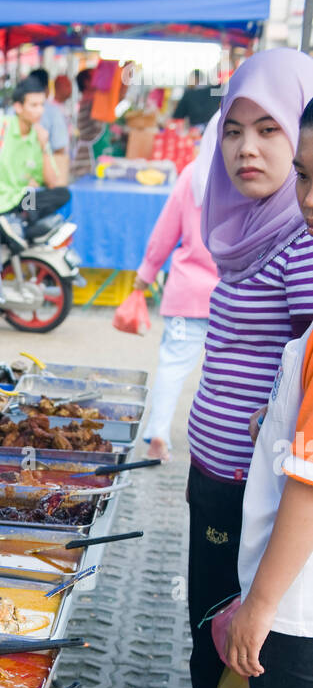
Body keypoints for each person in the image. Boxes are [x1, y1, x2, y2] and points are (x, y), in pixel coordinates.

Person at [137, 49, 313, 688]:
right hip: (213, 474)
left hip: (250, 490)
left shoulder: (300, 241)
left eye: (269, 131)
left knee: (227, 643)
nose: (248, 149)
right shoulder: (244, 230)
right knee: (206, 635)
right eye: (233, 131)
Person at [0, 74, 69, 346]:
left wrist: (43, 147)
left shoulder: (37, 137)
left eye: (42, 105)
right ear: (18, 107)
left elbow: (53, 182)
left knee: (63, 194)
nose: (39, 111)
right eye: (33, 105)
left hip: (19, 203)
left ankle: (18, 226)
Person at [133, 117, 220, 461]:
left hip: (187, 295)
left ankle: (158, 434)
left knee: (172, 366)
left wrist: (146, 273)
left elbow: (164, 232)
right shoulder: (251, 183)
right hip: (234, 298)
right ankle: (219, 444)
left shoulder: (192, 175)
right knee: (224, 376)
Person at [31, 67, 70, 184]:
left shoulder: (15, 112)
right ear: (47, 89)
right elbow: (60, 149)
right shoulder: (52, 112)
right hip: (43, 179)